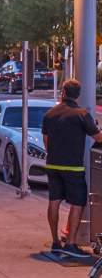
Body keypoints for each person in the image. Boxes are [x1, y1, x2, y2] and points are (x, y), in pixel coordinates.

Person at [42, 78, 102, 257]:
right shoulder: (81, 114)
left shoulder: (50, 114)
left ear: (63, 92)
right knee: (78, 202)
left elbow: (46, 140)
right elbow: (98, 137)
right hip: (73, 167)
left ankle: (55, 241)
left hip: (52, 164)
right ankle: (71, 243)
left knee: (54, 201)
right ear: (78, 95)